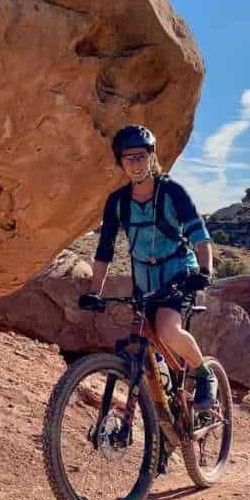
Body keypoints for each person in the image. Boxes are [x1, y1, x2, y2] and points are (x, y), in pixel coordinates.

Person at [79, 124, 217, 411]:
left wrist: (205, 272)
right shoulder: (118, 201)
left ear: (152, 157)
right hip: (145, 282)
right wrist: (95, 291)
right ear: (121, 163)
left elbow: (199, 235)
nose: (136, 163)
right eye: (128, 158)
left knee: (167, 329)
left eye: (141, 156)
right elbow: (105, 250)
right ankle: (163, 417)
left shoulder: (172, 192)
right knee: (141, 343)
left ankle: (204, 375)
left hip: (179, 275)